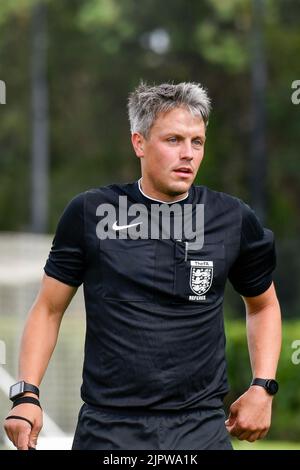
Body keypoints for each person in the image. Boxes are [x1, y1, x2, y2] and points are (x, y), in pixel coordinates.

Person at [3, 82, 281, 450]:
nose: (188, 154)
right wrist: (27, 395)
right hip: (108, 429)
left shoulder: (231, 218)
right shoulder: (90, 213)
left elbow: (263, 306)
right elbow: (49, 309)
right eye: (173, 140)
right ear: (139, 143)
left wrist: (263, 387)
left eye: (197, 142)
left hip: (201, 428)